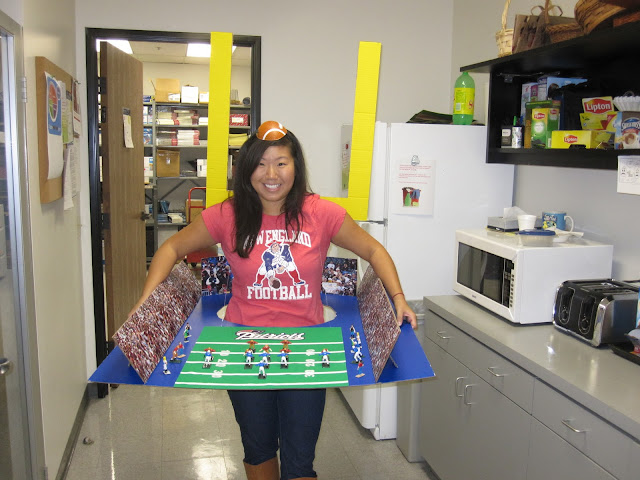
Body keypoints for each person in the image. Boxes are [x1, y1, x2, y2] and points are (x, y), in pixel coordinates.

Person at [129, 120, 417, 480]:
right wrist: (147, 300)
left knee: (300, 460)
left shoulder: (322, 213)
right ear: (247, 170)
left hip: (306, 347)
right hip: (244, 347)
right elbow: (171, 247)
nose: (271, 174)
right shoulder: (227, 215)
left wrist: (398, 298)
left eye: (281, 163)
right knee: (258, 448)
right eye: (261, 164)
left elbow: (374, 250)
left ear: (296, 166)